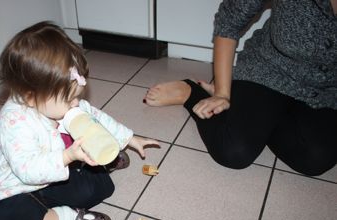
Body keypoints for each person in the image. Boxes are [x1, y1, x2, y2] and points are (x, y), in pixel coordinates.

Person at [0, 21, 159, 220]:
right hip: (19, 185)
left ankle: (102, 157)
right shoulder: (14, 122)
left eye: (76, 95)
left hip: (59, 167)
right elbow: (27, 171)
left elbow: (96, 118)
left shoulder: (60, 103)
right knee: (9, 216)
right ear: (31, 96)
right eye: (69, 98)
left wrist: (127, 138)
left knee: (101, 188)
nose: (77, 102)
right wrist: (67, 157)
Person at [144, 0, 337, 176]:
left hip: (327, 88)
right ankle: (191, 92)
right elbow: (229, 21)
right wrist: (222, 93)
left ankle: (250, 108)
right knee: (234, 150)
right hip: (270, 69)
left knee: (316, 160)